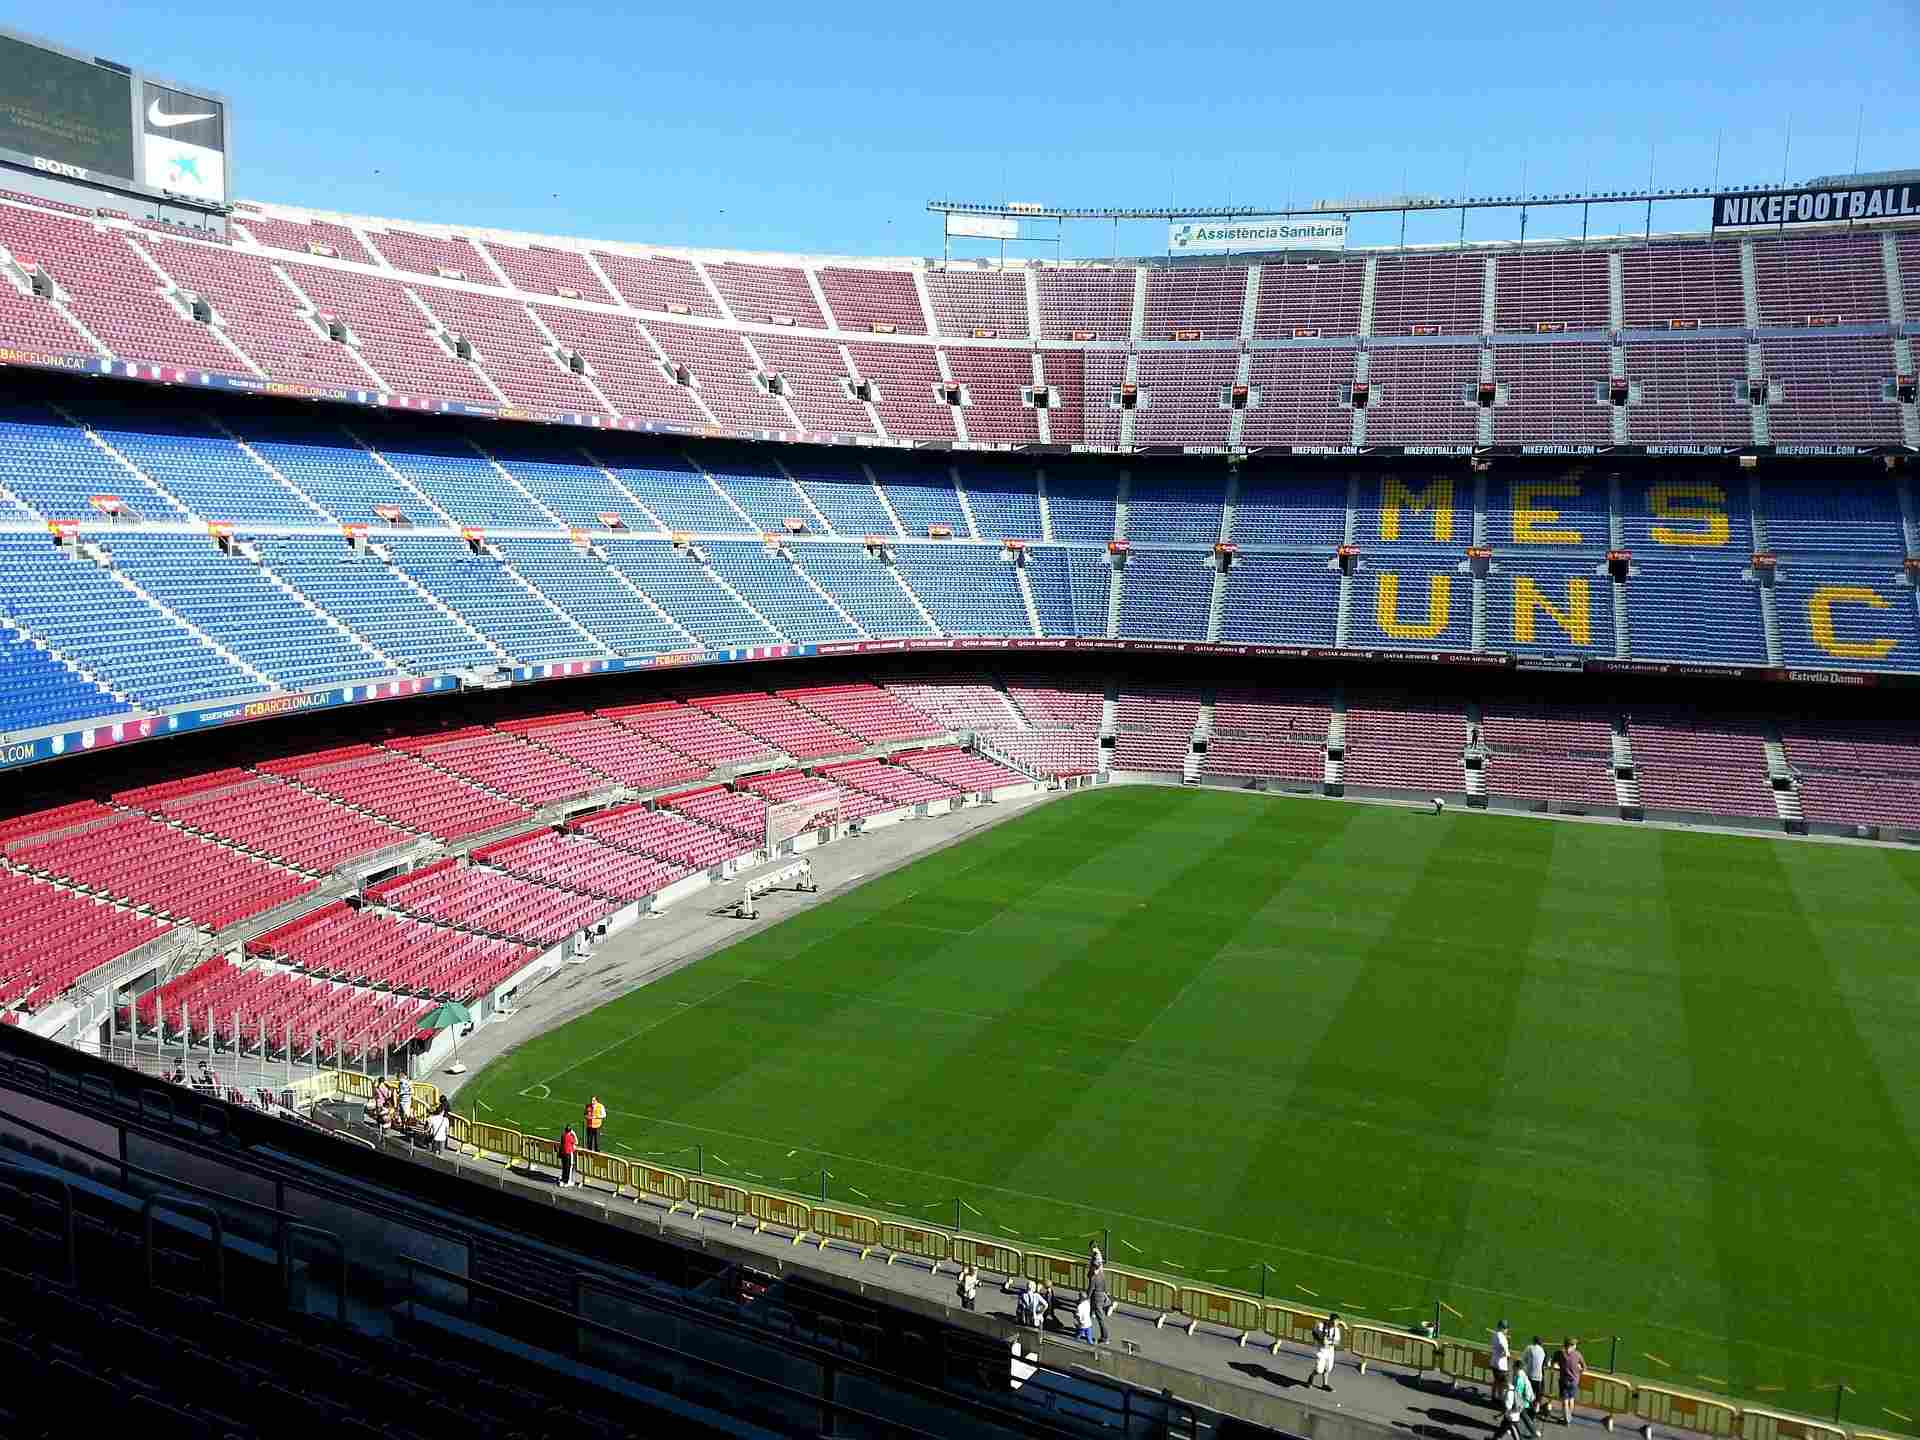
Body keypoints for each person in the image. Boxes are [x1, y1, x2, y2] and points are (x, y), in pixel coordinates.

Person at [1308, 1312, 1343, 1393]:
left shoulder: (1336, 1330)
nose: (1336, 1324)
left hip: (1330, 1351)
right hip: (1321, 1350)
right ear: (1330, 1321)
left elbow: (1337, 1342)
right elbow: (1313, 1332)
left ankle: (1325, 1384)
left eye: (1337, 1322)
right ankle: (1311, 1376)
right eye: (1335, 1322)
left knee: (1328, 1368)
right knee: (1319, 1370)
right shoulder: (1321, 1325)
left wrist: (1330, 1343)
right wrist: (1320, 1340)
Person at [1555, 1338, 1584, 1426]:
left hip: (1564, 1381)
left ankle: (1566, 1418)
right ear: (1573, 1346)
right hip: (1574, 1381)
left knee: (1565, 1401)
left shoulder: (1560, 1354)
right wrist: (1579, 1371)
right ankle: (1568, 1417)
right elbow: (1584, 1368)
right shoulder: (1578, 1354)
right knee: (1571, 1399)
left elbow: (1553, 1364)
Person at [1511, 1357, 1539, 1439]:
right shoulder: (1522, 1374)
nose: (1512, 1367)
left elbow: (1517, 1392)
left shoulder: (1519, 1378)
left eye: (1513, 1366)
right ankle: (1532, 1432)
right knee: (1524, 1417)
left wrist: (1514, 1402)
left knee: (1521, 1416)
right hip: (1525, 1400)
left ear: (1516, 1367)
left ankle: (1529, 1433)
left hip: (1522, 1401)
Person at [1523, 1336, 1548, 1420]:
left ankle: (1526, 1411)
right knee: (1537, 1396)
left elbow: (1524, 1359)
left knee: (1528, 1394)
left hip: (1529, 1375)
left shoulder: (1529, 1348)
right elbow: (1545, 1364)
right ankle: (1534, 1413)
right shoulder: (1543, 1351)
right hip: (1539, 1377)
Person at [1087, 1265, 1111, 1344]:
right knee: (1090, 1315)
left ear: (1094, 1268)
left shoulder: (1094, 1277)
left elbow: (1090, 1289)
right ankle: (1086, 1331)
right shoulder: (1101, 1274)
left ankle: (1105, 1337)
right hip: (1100, 1296)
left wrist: (1086, 1298)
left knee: (1100, 1319)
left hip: (1095, 1299)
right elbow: (1104, 1286)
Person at [1492, 1319, 1512, 1409]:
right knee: (1503, 1384)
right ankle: (1501, 1401)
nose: (1507, 1330)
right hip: (1500, 1365)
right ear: (1503, 1328)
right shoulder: (1500, 1336)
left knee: (1497, 1381)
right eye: (1506, 1328)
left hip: (1495, 1363)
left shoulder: (1496, 1334)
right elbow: (1502, 1345)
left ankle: (1494, 1397)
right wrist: (1506, 1353)